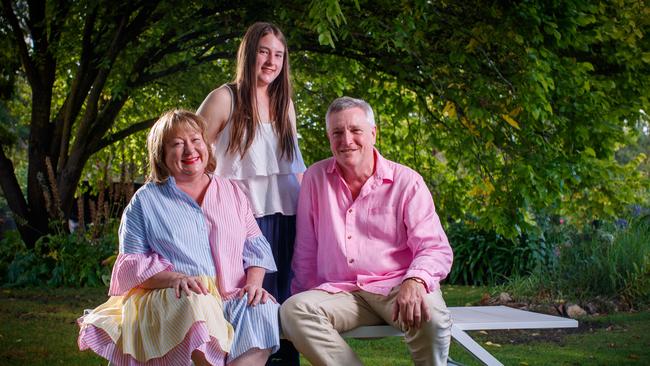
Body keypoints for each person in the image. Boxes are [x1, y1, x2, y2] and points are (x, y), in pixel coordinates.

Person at [77, 110, 280, 365]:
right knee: (197, 309)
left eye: (195, 140)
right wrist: (176, 278)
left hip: (232, 295)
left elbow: (254, 245)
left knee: (263, 311)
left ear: (206, 145)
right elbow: (132, 267)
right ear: (161, 155)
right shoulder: (146, 201)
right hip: (177, 298)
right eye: (177, 144)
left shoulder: (231, 191)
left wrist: (254, 283)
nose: (189, 150)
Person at [280, 97, 454, 366]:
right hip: (342, 293)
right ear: (329, 137)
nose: (346, 139)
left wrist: (416, 281)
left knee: (429, 313)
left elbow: (434, 247)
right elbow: (306, 249)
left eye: (355, 130)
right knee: (293, 310)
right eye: (337, 132)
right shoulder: (315, 178)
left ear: (373, 133)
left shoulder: (407, 182)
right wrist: (307, 294)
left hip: (396, 287)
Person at [197, 22, 305, 365]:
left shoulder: (284, 103)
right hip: (238, 223)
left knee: (284, 301)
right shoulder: (224, 98)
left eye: (278, 54)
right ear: (249, 54)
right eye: (264, 52)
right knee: (245, 301)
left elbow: (294, 168)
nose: (271, 61)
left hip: (285, 217)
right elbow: (191, 151)